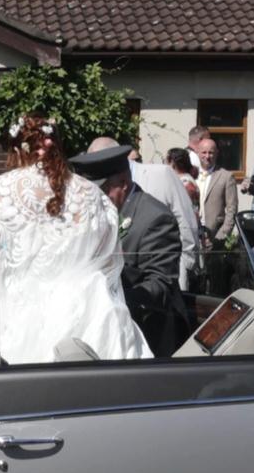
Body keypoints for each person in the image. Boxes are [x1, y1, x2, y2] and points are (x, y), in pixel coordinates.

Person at [0, 114, 150, 365]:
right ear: (59, 146)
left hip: (12, 312)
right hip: (84, 314)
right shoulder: (94, 194)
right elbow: (107, 265)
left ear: (18, 151)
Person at [79, 140, 194, 355]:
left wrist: (108, 300)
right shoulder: (98, 214)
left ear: (123, 182)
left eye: (103, 190)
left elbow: (160, 286)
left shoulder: (155, 218)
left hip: (146, 334)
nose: (96, 199)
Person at [100, 137, 199, 291]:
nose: (99, 195)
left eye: (104, 189)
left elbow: (185, 219)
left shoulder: (161, 174)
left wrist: (187, 264)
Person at [193, 136, 238, 244]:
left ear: (217, 153)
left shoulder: (226, 176)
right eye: (204, 152)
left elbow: (232, 209)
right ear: (197, 153)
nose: (207, 156)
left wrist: (221, 236)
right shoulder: (191, 175)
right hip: (193, 233)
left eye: (211, 153)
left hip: (215, 235)